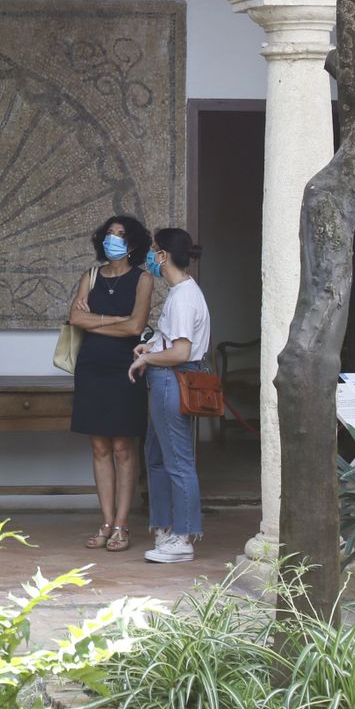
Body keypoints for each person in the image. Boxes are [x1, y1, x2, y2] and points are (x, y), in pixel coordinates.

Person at [69, 216, 155, 555]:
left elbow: (136, 327)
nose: (113, 240)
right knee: (99, 448)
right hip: (90, 366)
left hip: (126, 368)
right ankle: (105, 522)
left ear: (133, 244)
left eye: (120, 235)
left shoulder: (144, 279)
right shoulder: (89, 277)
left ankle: (122, 523)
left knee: (123, 448)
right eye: (109, 234)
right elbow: (75, 318)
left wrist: (98, 322)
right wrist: (116, 322)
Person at [128, 227, 209, 563]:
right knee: (158, 457)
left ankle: (183, 536)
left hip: (172, 380)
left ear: (162, 255)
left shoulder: (183, 297)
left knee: (176, 460)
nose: (150, 258)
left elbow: (180, 353)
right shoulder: (183, 292)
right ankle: (164, 527)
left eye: (153, 252)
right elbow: (173, 344)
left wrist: (147, 357)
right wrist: (153, 345)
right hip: (168, 380)